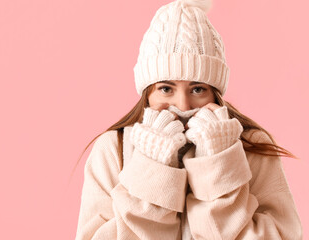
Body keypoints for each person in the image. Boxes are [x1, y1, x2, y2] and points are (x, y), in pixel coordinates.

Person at [74, 0, 303, 239]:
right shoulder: (112, 148)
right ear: (147, 93)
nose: (183, 106)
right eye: (166, 89)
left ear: (215, 92)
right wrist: (152, 170)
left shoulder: (250, 145)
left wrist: (218, 164)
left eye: (197, 89)